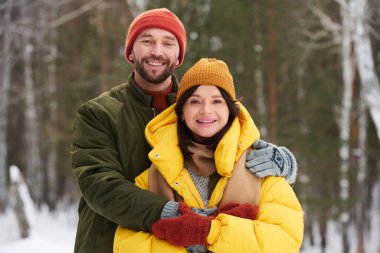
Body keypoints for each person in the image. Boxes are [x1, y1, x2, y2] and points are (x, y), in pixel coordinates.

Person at [71, 8, 298, 253]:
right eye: (147, 41)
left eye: (168, 43)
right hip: (108, 242)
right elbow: (100, 186)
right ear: (130, 51)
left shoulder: (197, 106)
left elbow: (237, 144)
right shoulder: (99, 113)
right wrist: (172, 216)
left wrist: (282, 163)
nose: (157, 51)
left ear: (179, 56)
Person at [114, 58, 304, 253]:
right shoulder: (157, 172)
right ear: (181, 112)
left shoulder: (262, 166)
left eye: (217, 101)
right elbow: (127, 243)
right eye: (195, 101)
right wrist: (188, 245)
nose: (206, 110)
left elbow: (285, 240)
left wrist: (209, 233)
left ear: (230, 110)